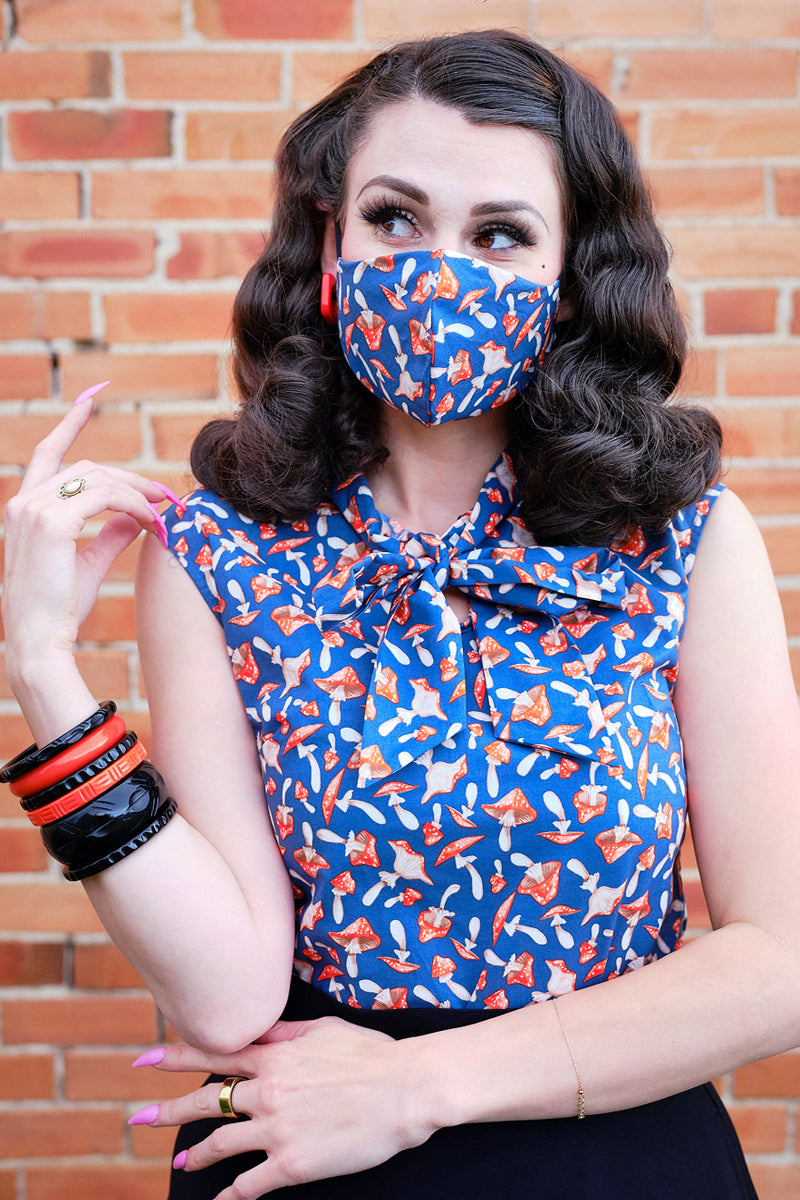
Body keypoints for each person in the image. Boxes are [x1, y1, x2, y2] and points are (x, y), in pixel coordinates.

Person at [2, 29, 799, 1200]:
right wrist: (41, 664)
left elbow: (777, 961)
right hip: (299, 1157)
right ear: (329, 242)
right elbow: (226, 993)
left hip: (605, 1150)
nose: (437, 270)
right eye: (392, 218)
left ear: (568, 281)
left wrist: (416, 1087)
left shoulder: (680, 541)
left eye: (498, 234)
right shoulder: (215, 549)